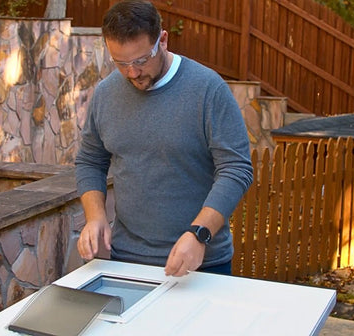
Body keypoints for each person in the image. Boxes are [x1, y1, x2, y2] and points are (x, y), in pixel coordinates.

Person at [75, 0, 253, 277]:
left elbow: (236, 169)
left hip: (202, 262)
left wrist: (199, 233)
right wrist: (95, 216)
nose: (132, 73)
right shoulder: (106, 94)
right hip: (126, 259)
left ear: (163, 40)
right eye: (121, 63)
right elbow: (90, 160)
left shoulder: (208, 89)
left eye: (141, 60)